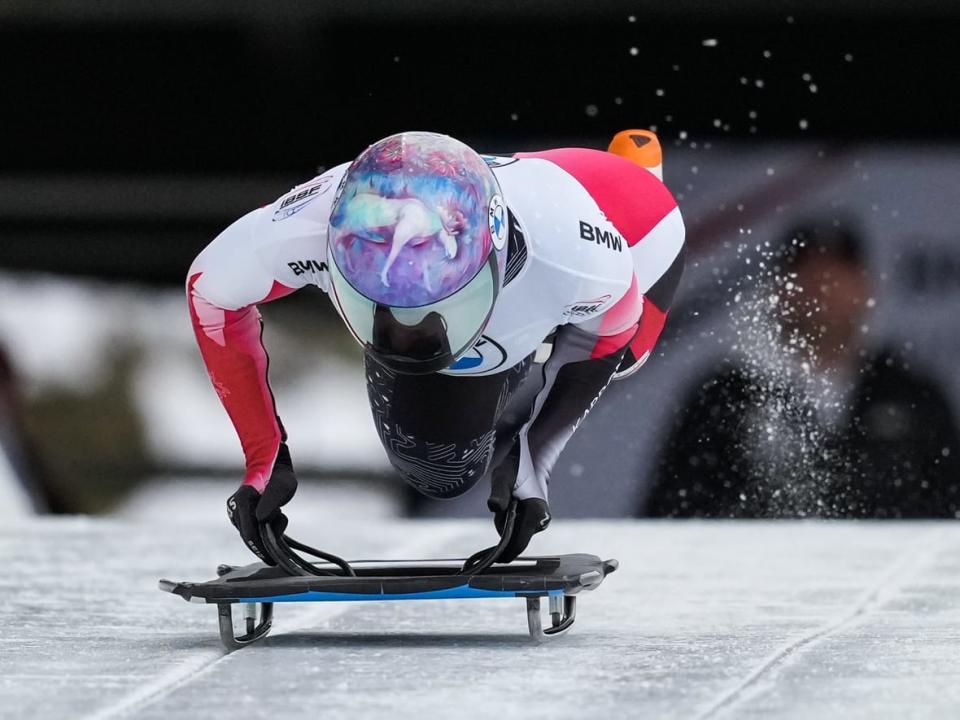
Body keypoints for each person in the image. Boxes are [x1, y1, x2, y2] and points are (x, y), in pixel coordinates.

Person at [187, 130, 685, 562]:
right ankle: (503, 335)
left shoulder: (580, 264)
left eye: (434, 307)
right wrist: (263, 456)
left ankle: (633, 165)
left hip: (633, 223)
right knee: (438, 472)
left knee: (626, 356)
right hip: (528, 222)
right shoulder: (310, 226)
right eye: (381, 306)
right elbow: (209, 292)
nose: (405, 333)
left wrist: (536, 460)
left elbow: (612, 329)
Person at [648, 220, 960, 518]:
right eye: (807, 273)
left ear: (867, 288)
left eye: (837, 275)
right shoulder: (724, 396)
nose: (821, 289)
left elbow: (948, 512)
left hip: (887, 570)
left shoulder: (912, 395)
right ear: (778, 289)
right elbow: (673, 513)